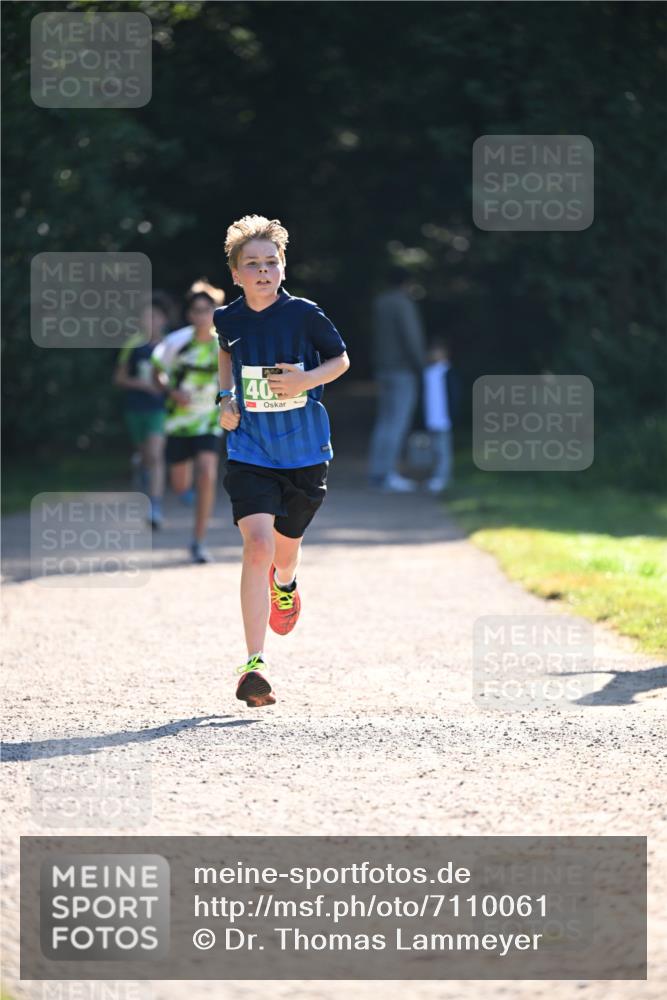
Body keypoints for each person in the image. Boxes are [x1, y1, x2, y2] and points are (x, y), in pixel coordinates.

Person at [214, 215, 350, 708]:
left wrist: (304, 381)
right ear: (236, 274)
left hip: (304, 452)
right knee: (257, 545)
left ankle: (286, 585)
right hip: (250, 450)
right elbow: (226, 360)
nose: (263, 271)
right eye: (252, 264)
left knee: (284, 552)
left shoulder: (305, 314)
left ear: (283, 266)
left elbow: (341, 361)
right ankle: (255, 664)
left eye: (271, 262)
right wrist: (224, 401)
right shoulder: (227, 319)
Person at [152, 280, 226, 563]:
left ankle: (198, 540)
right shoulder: (176, 342)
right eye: (197, 310)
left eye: (208, 310)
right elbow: (157, 372)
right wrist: (171, 390)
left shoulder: (226, 341)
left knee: (207, 472)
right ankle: (185, 491)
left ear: (216, 311)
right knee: (181, 484)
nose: (202, 315)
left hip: (209, 421)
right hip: (179, 423)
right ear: (189, 314)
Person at [368, 266, 426, 492]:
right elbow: (411, 339)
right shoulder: (403, 303)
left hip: (383, 368)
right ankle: (389, 474)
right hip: (403, 370)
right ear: (407, 282)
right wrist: (420, 367)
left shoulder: (380, 303)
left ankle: (377, 472)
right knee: (398, 423)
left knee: (384, 422)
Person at [113, 297, 168, 528]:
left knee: (155, 455)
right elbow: (119, 378)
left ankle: (154, 507)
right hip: (136, 408)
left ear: (163, 319)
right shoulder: (133, 345)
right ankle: (141, 467)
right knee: (145, 455)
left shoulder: (170, 345)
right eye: (147, 316)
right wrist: (142, 385)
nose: (151, 321)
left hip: (160, 408)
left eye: (155, 316)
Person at [422, 339, 460, 493]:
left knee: (444, 449)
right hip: (431, 418)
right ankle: (436, 475)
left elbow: (455, 396)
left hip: (444, 418)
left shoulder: (448, 372)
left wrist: (453, 414)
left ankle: (443, 477)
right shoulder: (428, 372)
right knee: (434, 449)